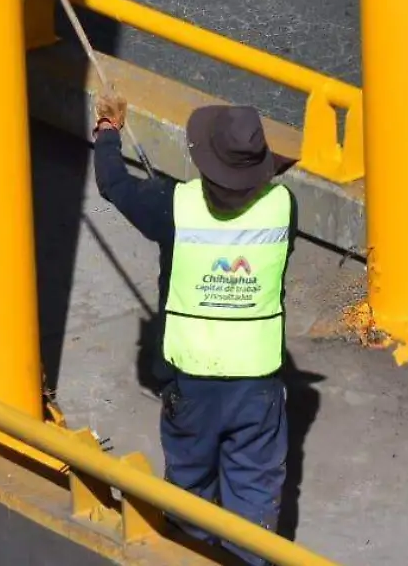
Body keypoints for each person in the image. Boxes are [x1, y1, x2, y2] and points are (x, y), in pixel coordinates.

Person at [91, 93, 295, 564]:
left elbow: (114, 184)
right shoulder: (285, 209)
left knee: (188, 495)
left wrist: (107, 129)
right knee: (255, 499)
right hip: (257, 386)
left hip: (192, 385)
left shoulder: (172, 207)